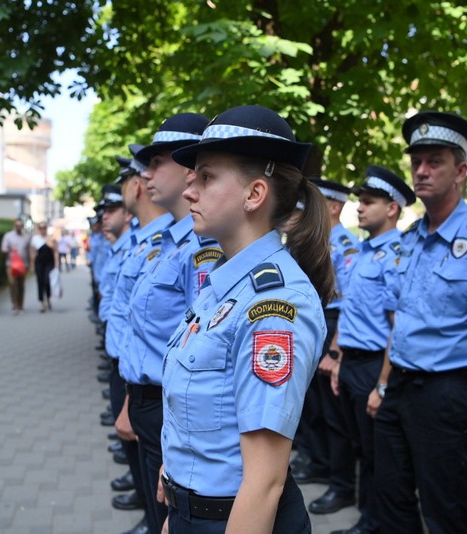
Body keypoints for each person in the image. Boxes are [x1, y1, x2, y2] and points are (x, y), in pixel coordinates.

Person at [158, 104, 335, 533]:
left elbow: (264, 482)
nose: (189, 191)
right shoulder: (225, 283)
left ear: (254, 195)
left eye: (207, 177)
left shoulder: (274, 305)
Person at [370, 111, 467, 534]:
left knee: (445, 511)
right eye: (417, 163)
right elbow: (401, 322)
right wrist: (382, 384)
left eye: (434, 162)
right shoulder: (409, 238)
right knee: (391, 499)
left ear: (461, 170)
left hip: (448, 394)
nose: (421, 172)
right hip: (401, 387)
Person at [118, 112, 217, 534]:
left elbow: (201, 348)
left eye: (158, 162)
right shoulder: (171, 240)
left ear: (189, 168)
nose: (147, 173)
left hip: (169, 407)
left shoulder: (202, 246)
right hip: (146, 399)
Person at [326, 167, 415, 534]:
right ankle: (368, 518)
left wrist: (382, 383)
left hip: (375, 365)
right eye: (360, 201)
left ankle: (377, 523)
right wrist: (339, 361)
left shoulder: (394, 254)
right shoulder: (363, 251)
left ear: (392, 208)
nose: (359, 208)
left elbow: (397, 324)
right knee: (363, 448)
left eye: (368, 202)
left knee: (381, 456)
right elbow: (352, 313)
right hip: (352, 362)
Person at [107, 147, 173, 534]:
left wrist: (132, 398)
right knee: (155, 498)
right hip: (139, 382)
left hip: (159, 394)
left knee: (165, 504)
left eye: (154, 165)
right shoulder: (156, 242)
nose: (145, 177)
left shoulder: (189, 248)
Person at [300, 180, 360, 508]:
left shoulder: (346, 245)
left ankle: (342, 484)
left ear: (334, 207)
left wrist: (336, 349)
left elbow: (350, 301)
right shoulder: (315, 241)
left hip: (334, 324)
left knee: (335, 414)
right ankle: (320, 464)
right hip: (315, 322)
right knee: (313, 406)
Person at [0, 218, 29, 314]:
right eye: (17, 225)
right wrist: (10, 249)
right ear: (14, 226)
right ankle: (14, 304)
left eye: (21, 225)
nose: (19, 227)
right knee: (13, 284)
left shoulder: (26, 237)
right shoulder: (8, 236)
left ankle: (20, 304)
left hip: (23, 265)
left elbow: (28, 251)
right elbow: (3, 249)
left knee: (21, 285)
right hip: (11, 265)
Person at [29, 222, 57, 313]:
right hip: (39, 263)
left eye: (44, 227)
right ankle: (42, 302)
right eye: (40, 228)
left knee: (47, 280)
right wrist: (32, 265)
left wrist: (57, 264)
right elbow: (33, 253)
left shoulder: (50, 238)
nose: (42, 229)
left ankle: (48, 298)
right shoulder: (35, 239)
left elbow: (55, 251)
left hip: (49, 263)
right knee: (40, 282)